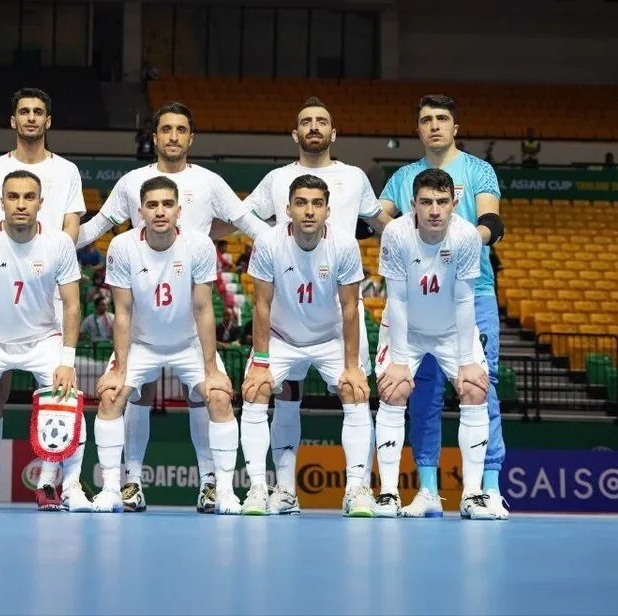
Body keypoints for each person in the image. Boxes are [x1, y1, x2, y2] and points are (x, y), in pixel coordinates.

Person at [75, 101, 270, 513]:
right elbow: (96, 227)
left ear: (191, 137)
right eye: (166, 129)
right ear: (154, 137)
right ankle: (128, 483)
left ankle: (213, 485)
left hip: (189, 314)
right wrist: (51, 243)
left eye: (181, 129)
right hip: (144, 312)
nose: (173, 136)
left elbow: (248, 224)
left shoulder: (210, 183)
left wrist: (285, 244)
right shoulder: (132, 183)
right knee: (130, 394)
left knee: (210, 395)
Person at [240, 96, 393, 514]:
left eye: (321, 121)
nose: (313, 127)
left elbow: (351, 305)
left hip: (333, 331)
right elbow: (260, 303)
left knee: (355, 390)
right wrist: (261, 361)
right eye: (305, 121)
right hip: (284, 332)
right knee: (259, 389)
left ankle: (357, 490)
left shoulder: (350, 199)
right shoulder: (272, 216)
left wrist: (350, 365)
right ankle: (269, 490)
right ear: (287, 208)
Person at [379, 95, 508, 519]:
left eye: (442, 118)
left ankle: (488, 489)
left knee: (481, 387)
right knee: (421, 395)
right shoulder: (403, 177)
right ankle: (428, 490)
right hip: (418, 296)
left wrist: (457, 243)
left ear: (455, 127)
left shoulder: (478, 170)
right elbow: (377, 219)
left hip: (473, 292)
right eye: (426, 120)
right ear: (417, 129)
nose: (434, 125)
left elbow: (492, 223)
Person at [0, 87, 88, 510]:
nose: (31, 118)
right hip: (0, 293)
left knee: (58, 392)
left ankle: (51, 482)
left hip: (49, 291)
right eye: (24, 111)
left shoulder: (67, 171)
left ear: (48, 120)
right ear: (13, 120)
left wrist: (49, 269)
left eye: (39, 112)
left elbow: (71, 228)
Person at [93, 176, 238, 514]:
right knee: (111, 396)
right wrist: (120, 369)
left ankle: (218, 488)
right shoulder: (123, 246)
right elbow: (122, 312)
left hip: (187, 344)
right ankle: (120, 487)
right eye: (152, 205)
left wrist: (212, 369)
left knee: (218, 397)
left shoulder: (199, 245)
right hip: (140, 344)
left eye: (167, 204)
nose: (160, 211)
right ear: (140, 212)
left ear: (179, 210)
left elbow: (203, 309)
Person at [0, 170, 86, 512]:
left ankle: (56, 485)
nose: (21, 204)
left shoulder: (59, 243)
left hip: (43, 339)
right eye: (13, 197)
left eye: (28, 197)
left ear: (40, 202)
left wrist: (67, 361)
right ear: (1, 202)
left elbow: (72, 305)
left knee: (68, 398)